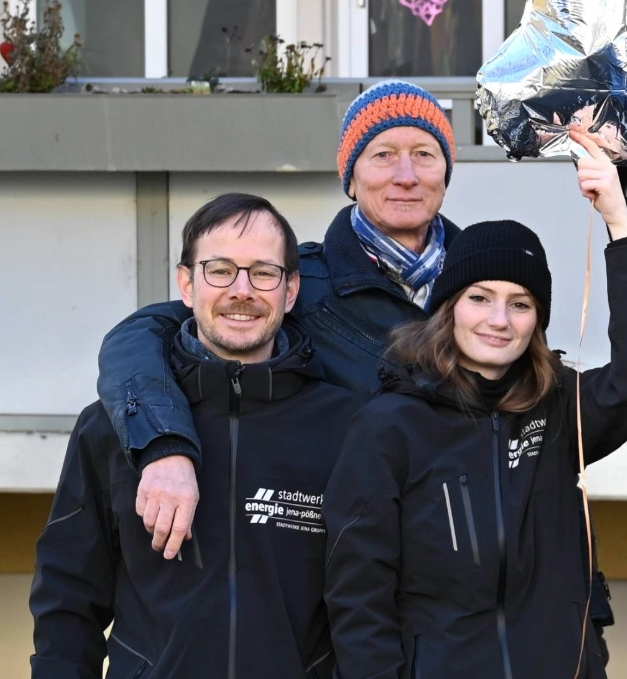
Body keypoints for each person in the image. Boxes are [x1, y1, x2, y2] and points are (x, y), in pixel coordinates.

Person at [323, 125, 627, 679]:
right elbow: (359, 611)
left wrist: (618, 220)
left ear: (538, 319)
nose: (499, 319)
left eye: (520, 303)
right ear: (448, 307)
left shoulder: (559, 410)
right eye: (480, 297)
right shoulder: (388, 427)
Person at [30, 193, 375, 679]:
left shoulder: (348, 429)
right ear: (186, 284)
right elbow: (67, 601)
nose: (242, 290)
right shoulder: (112, 431)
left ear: (291, 290)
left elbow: (375, 614)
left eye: (264, 272)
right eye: (220, 270)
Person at [99, 80, 460, 557]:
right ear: (351, 178)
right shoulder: (293, 283)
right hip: (362, 550)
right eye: (383, 155)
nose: (406, 175)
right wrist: (163, 445)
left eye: (425, 154)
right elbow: (140, 337)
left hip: (460, 548)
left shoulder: (484, 285)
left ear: (446, 172)